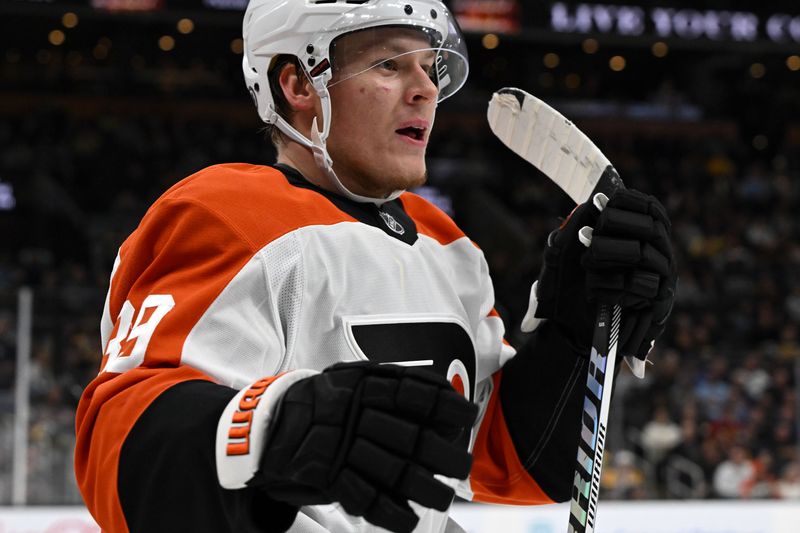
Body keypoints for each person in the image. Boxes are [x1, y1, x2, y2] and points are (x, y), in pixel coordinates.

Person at [74, 1, 677, 532]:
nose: (425, 89)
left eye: (429, 66)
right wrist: (274, 431)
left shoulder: (446, 244)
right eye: (390, 64)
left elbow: (507, 459)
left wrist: (575, 332)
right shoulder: (227, 211)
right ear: (300, 84)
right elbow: (115, 446)